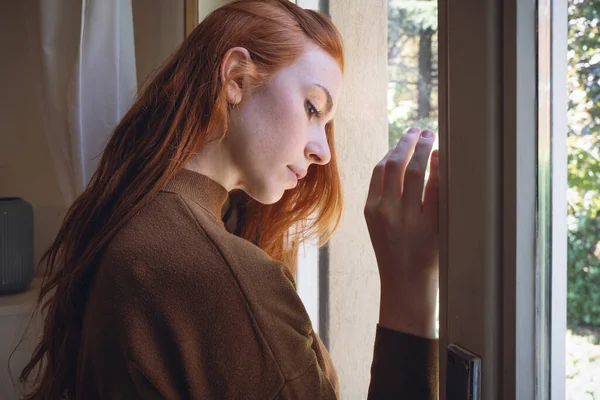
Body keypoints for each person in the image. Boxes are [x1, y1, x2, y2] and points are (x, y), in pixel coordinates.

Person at [18, 0, 439, 398]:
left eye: (326, 125)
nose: (323, 151)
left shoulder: (138, 215)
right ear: (236, 79)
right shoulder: (207, 270)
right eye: (313, 108)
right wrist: (409, 293)